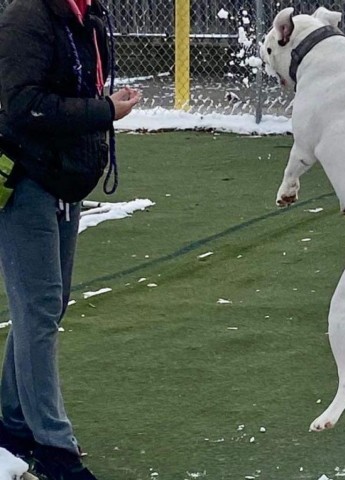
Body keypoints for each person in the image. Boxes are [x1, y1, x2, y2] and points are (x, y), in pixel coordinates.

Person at [0, 0, 140, 478]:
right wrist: (103, 111)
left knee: (45, 307)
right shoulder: (28, 16)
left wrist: (101, 114)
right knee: (38, 310)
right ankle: (54, 447)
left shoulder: (86, 15)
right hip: (25, 176)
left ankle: (14, 422)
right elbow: (23, 105)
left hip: (64, 176)